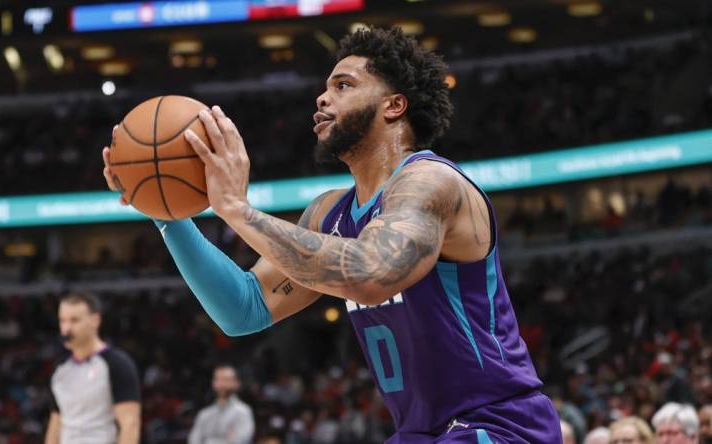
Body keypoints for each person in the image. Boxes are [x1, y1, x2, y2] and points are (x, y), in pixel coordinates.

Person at [102, 26, 561, 443]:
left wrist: (237, 210)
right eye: (324, 88)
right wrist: (166, 214)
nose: (322, 99)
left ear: (394, 105)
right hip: (421, 434)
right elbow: (243, 309)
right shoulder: (327, 213)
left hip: (498, 426)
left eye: (344, 86)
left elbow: (369, 272)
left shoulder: (431, 182)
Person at [45, 292, 142, 444]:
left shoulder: (117, 364)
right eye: (62, 321)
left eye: (74, 320)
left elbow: (130, 424)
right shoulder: (60, 370)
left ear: (95, 320)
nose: (67, 328)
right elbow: (56, 423)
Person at [189, 365, 254, 444]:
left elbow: (240, 441)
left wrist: (208, 441)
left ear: (236, 383)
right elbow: (194, 441)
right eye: (218, 379)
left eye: (226, 380)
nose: (222, 384)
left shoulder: (243, 412)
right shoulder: (204, 414)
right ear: (213, 383)